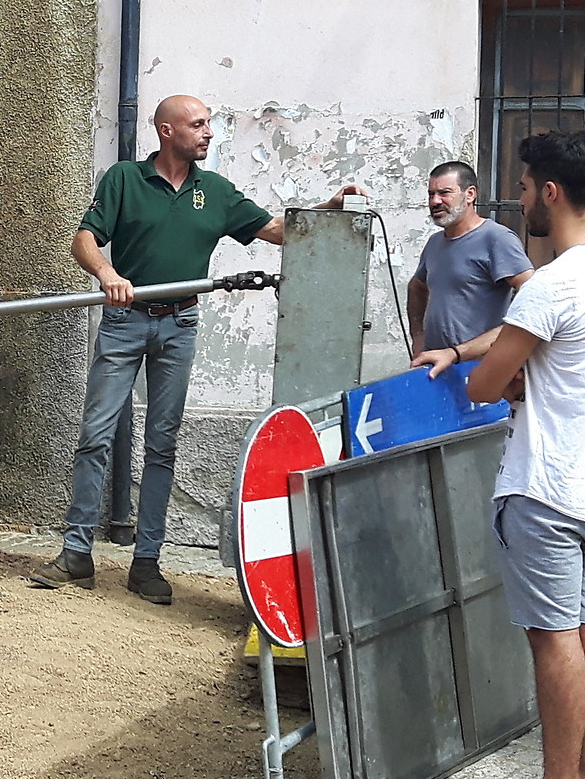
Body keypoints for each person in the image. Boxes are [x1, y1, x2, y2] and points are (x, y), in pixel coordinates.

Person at [38, 94, 359, 604]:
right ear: (167, 131)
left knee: (161, 444)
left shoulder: (216, 191)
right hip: (124, 321)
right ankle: (76, 553)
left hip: (179, 324)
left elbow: (277, 231)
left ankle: (147, 563)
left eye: (208, 124)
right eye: (199, 124)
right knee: (95, 436)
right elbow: (84, 239)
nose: (209, 132)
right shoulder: (124, 179)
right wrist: (108, 274)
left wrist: (327, 211)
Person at [414, 130, 585, 779]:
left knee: (553, 638)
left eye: (524, 183)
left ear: (550, 191)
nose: (519, 198)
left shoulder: (556, 282)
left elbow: (484, 379)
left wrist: (510, 374)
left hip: (544, 483)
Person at [408, 161, 532, 356]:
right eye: (431, 194)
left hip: (478, 370)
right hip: (436, 368)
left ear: (470, 194)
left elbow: (533, 295)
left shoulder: (497, 238)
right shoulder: (435, 242)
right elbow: (416, 287)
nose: (435, 201)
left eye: (444, 193)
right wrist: (418, 337)